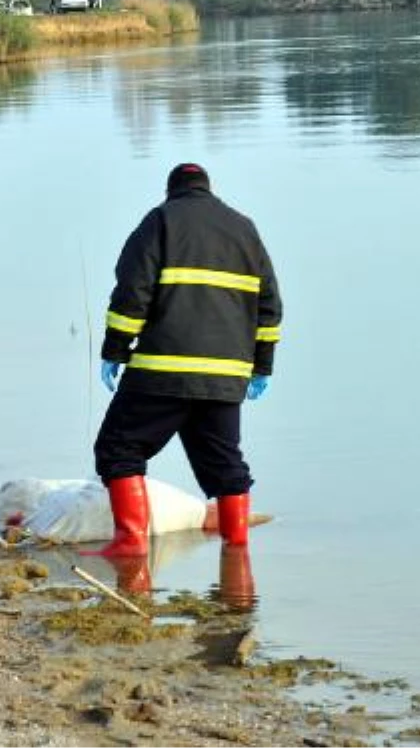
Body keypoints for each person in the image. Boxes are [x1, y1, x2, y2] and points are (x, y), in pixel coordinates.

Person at [84, 162, 282, 556]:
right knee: (226, 465)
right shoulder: (244, 229)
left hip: (162, 372)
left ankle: (131, 544)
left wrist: (115, 350)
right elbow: (269, 306)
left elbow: (131, 293)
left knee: (118, 450)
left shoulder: (160, 222)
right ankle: (237, 551)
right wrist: (261, 366)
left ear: (171, 191)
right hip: (225, 379)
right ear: (209, 190)